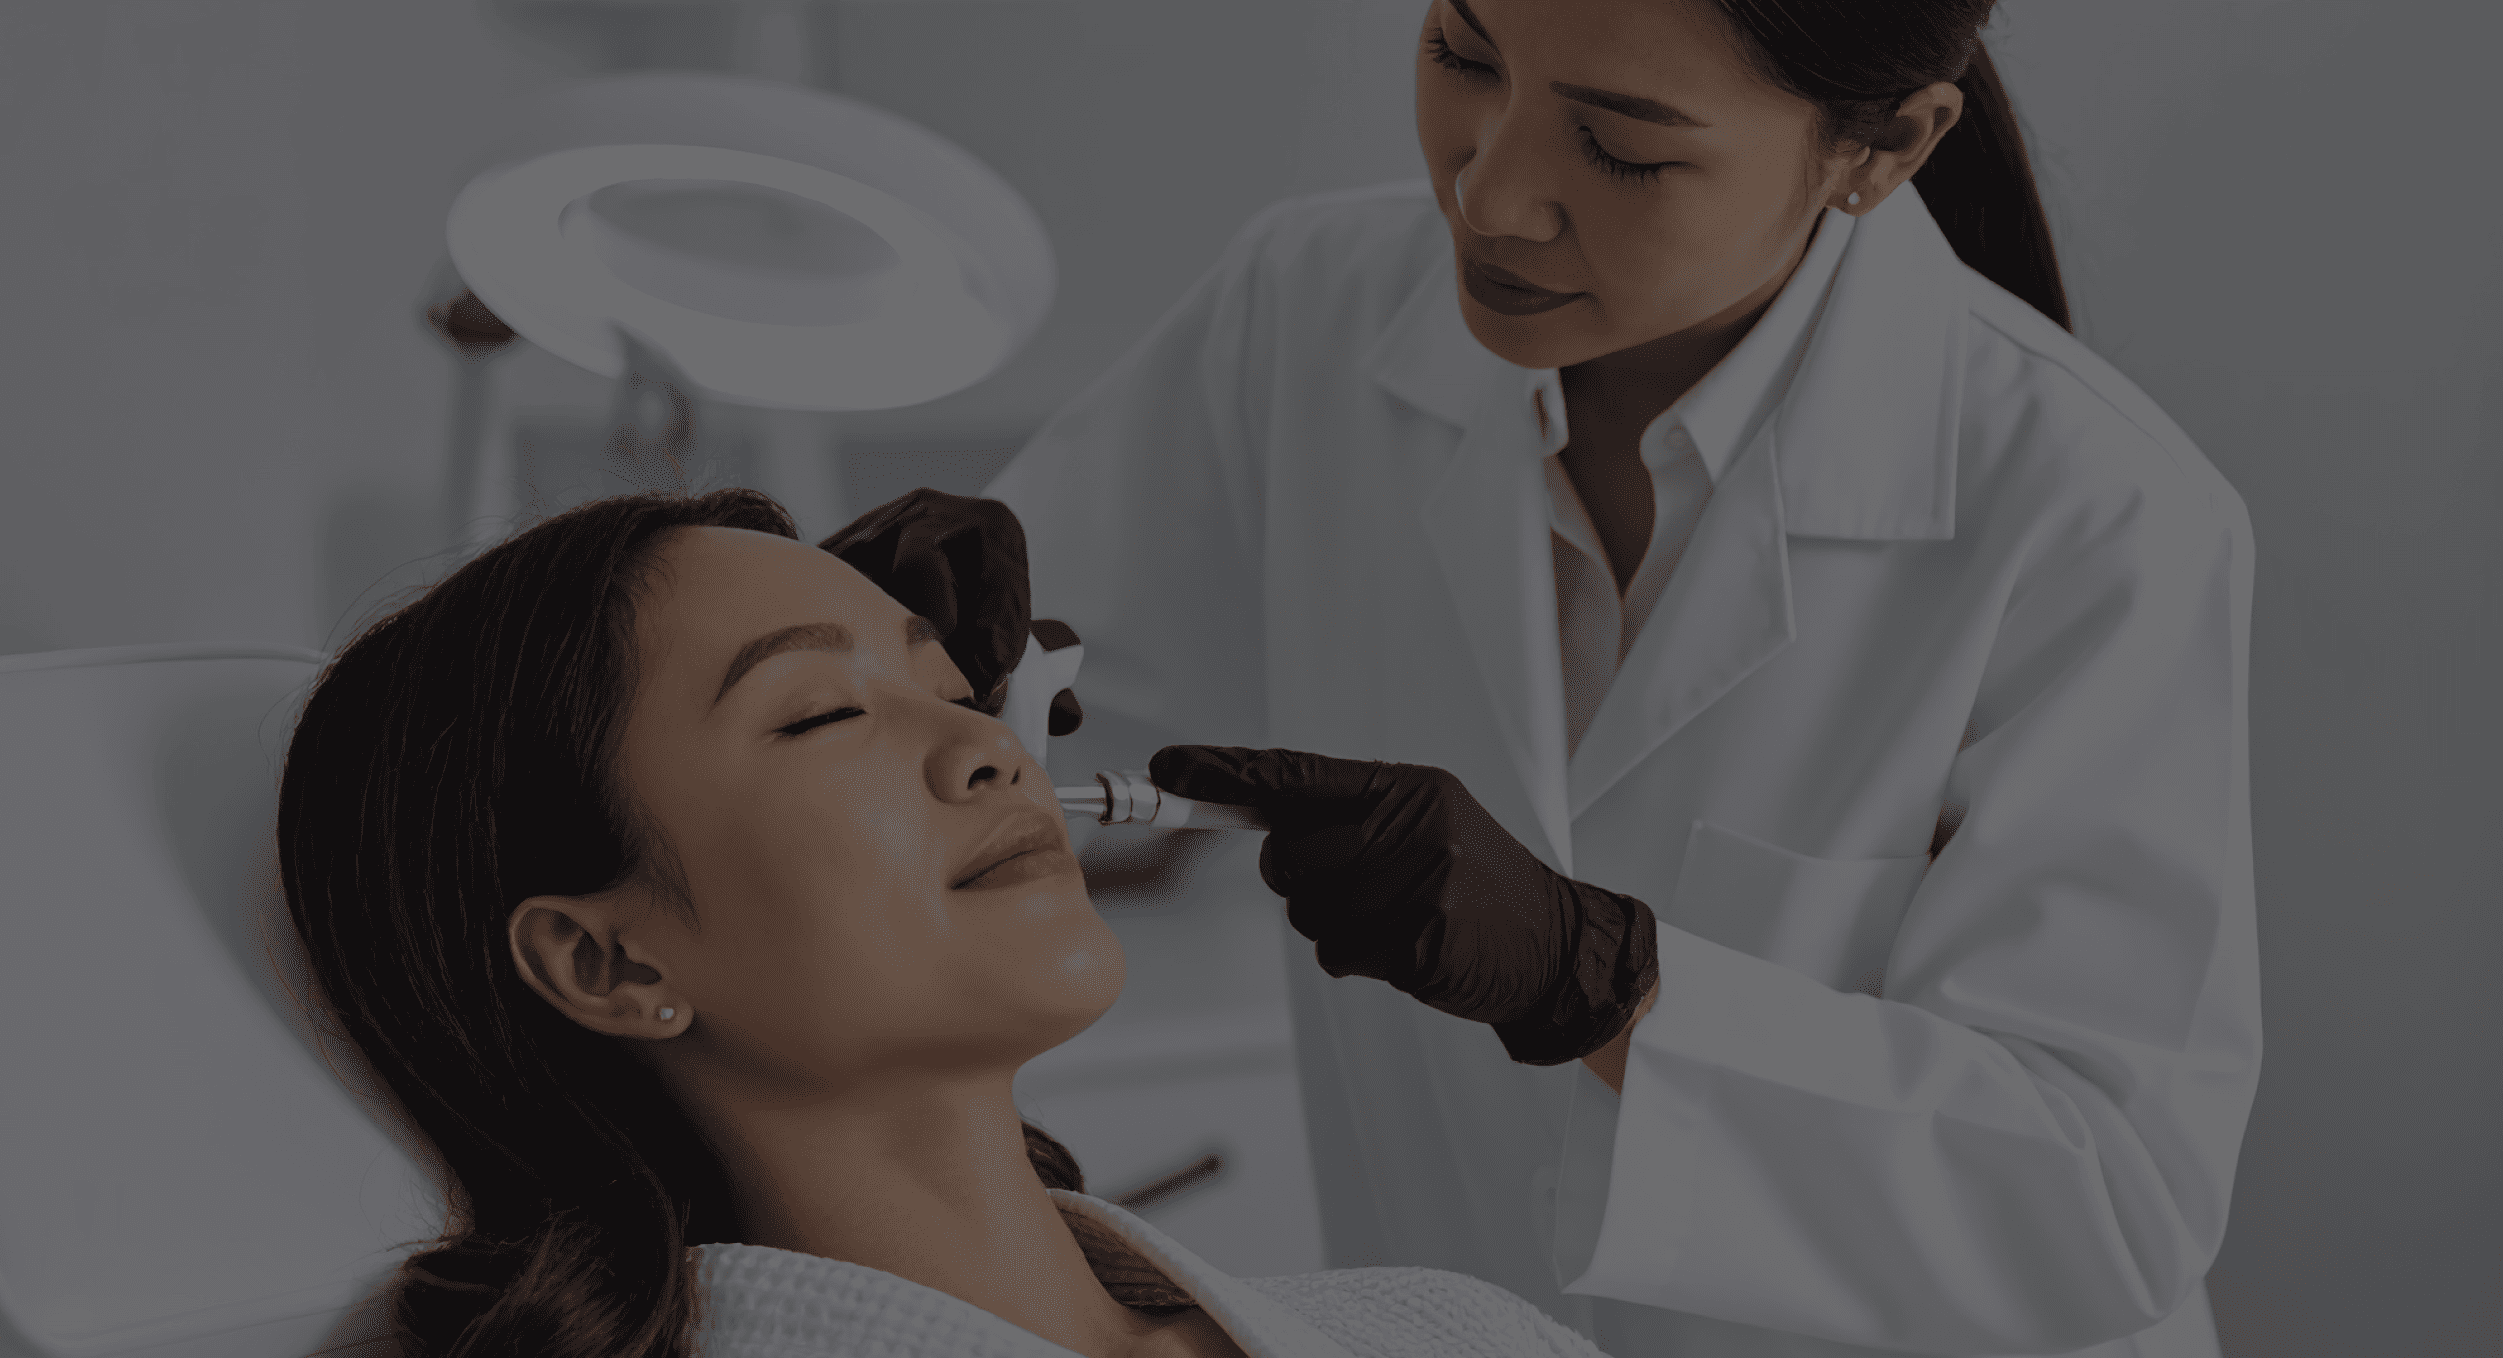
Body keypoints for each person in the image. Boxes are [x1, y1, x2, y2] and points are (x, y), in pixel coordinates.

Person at [821, 3, 2260, 1356]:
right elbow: (1013, 691)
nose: (1491, 196)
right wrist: (897, 633)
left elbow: (2112, 1196)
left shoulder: (2094, 519)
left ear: (1882, 148)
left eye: (1623, 145)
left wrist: (1612, 991)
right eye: (1465, 53)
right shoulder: (1306, 314)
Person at [272, 488, 1611, 1358]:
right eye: (818, 713)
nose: (989, 749)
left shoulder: (1457, 1330)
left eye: (954, 683)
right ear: (608, 957)